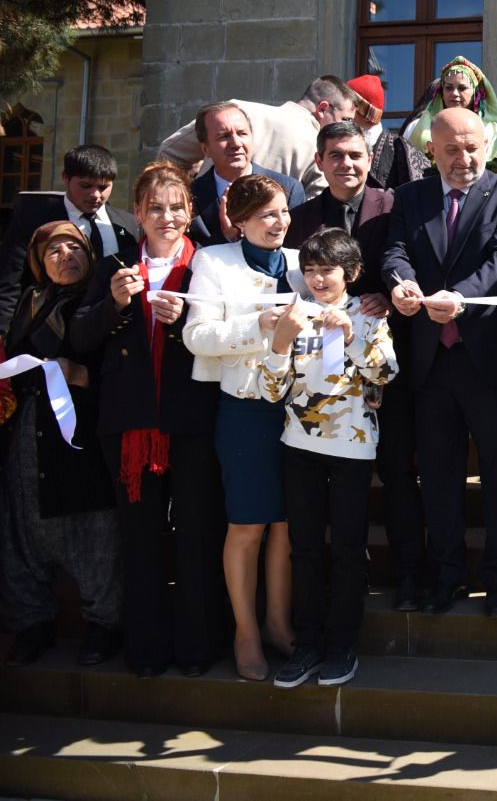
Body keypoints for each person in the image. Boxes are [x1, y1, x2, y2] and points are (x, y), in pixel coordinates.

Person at [69, 162, 227, 678]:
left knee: (197, 534)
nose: (166, 217)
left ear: (190, 212)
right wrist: (115, 304)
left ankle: (197, 648)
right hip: (130, 423)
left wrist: (183, 325)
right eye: (155, 208)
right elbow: (80, 339)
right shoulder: (112, 264)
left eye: (176, 207)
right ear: (137, 212)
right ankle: (147, 650)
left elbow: (225, 339)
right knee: (139, 538)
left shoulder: (206, 265)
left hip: (191, 420)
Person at [385, 108, 497, 618]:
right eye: (452, 149)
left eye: (472, 146)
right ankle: (446, 577)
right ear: (433, 150)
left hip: (487, 359)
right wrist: (401, 282)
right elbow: (396, 251)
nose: (464, 157)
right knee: (440, 479)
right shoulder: (410, 197)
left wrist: (460, 297)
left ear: (486, 143)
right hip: (429, 363)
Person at [285, 121, 424, 613]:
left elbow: (407, 262)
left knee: (399, 473)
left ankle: (408, 575)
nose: (347, 164)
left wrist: (387, 296)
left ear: (370, 159)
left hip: (385, 360)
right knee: (334, 495)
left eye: (355, 155)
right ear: (320, 162)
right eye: (336, 156)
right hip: (321, 388)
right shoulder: (299, 218)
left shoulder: (397, 204)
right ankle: (345, 579)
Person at [260, 227, 397, 689]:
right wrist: (281, 343)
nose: (319, 280)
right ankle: (307, 644)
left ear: (352, 274)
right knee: (304, 549)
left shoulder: (369, 314)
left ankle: (342, 645)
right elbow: (271, 389)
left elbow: (386, 371)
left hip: (353, 450)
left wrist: (352, 335)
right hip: (298, 447)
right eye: (312, 271)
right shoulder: (294, 314)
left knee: (346, 549)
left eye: (329, 271)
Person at [182, 173, 306, 680]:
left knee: (286, 524)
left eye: (282, 212)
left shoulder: (301, 263)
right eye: (266, 215)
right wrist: (255, 327)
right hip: (246, 406)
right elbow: (197, 335)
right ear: (239, 222)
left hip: (300, 408)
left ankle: (278, 623)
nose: (278, 223)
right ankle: (246, 632)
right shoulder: (214, 261)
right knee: (248, 523)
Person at [0, 223, 119, 669]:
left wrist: (84, 375)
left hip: (81, 428)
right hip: (30, 427)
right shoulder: (28, 303)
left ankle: (103, 622)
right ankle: (32, 621)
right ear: (38, 258)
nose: (65, 255)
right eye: (54, 248)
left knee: (93, 529)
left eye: (74, 246)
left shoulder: (100, 302)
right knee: (24, 526)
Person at [0, 143, 140, 334]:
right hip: (48, 335)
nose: (95, 195)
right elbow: (10, 282)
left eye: (103, 187)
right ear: (65, 178)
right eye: (85, 186)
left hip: (109, 333)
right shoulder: (33, 218)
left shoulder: (128, 225)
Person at [158, 77, 361, 198]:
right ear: (323, 108)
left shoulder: (236, 110)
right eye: (345, 120)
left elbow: (170, 152)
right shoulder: (319, 151)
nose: (346, 129)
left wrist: (183, 199)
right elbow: (313, 211)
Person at [186, 102, 307, 247]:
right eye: (224, 136)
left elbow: (294, 251)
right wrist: (226, 238)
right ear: (206, 149)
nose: (236, 143)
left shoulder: (289, 189)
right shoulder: (190, 196)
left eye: (242, 133)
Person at [404, 55, 497, 162]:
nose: (454, 93)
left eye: (462, 88)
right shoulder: (417, 128)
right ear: (441, 92)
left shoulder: (491, 131)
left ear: (475, 94)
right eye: (449, 88)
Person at [346, 74, 430, 190]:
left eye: (347, 104)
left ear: (364, 111)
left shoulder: (400, 148)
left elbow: (415, 196)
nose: (342, 110)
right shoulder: (337, 143)